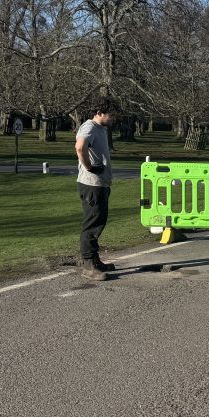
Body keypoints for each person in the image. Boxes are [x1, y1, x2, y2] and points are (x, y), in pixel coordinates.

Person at [75, 96, 119, 281]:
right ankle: (88, 265)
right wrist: (89, 167)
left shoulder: (100, 128)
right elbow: (79, 147)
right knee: (92, 223)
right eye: (111, 114)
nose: (113, 118)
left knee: (99, 221)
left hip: (100, 184)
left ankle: (95, 259)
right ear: (100, 112)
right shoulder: (89, 127)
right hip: (91, 184)